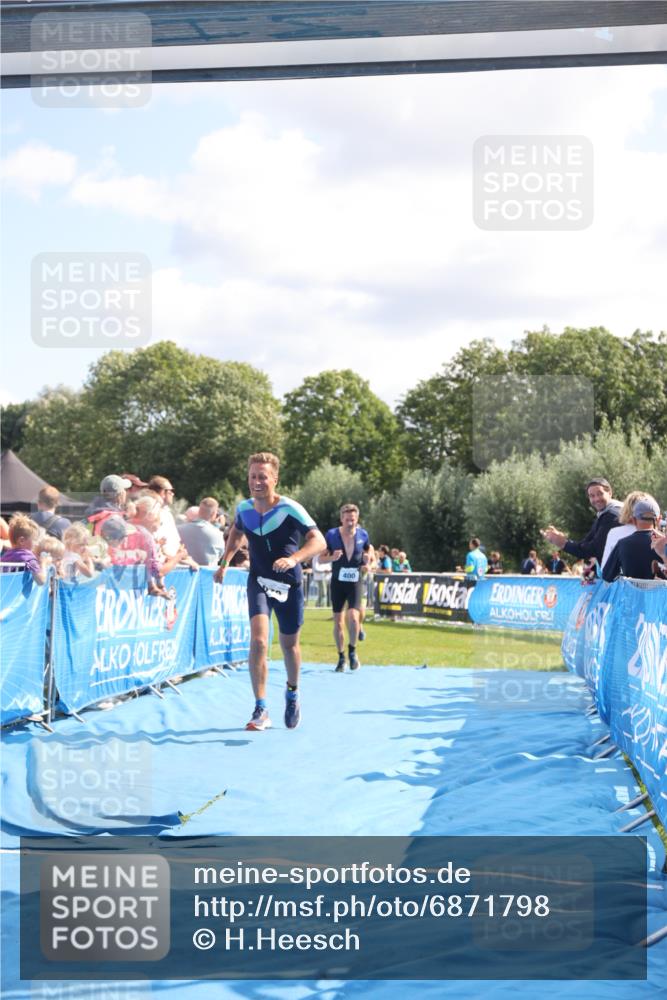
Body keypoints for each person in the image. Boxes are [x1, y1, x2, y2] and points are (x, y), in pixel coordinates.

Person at [214, 452, 325, 731]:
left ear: (275, 479)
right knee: (259, 641)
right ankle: (261, 707)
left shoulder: (289, 508)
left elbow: (319, 541)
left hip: (288, 584)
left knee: (289, 645)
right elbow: (236, 533)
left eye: (262, 477)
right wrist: (225, 563)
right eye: (252, 476)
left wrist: (294, 558)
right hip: (259, 581)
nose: (256, 482)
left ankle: (292, 692)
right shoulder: (244, 508)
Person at [318, 503, 371, 672]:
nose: (350, 523)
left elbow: (369, 551)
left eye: (353, 520)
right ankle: (341, 656)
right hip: (337, 583)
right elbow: (320, 559)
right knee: (338, 622)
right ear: (341, 519)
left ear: (357, 519)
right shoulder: (332, 535)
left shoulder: (363, 534)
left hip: (355, 582)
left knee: (354, 618)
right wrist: (332, 557)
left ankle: (352, 651)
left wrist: (368, 562)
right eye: (347, 519)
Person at [542, 477, 621, 565]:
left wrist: (563, 543)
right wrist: (563, 540)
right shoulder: (604, 514)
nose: (596, 499)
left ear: (610, 493)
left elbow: (592, 550)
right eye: (592, 496)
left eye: (600, 494)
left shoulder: (612, 515)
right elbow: (584, 544)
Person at [602, 496, 663, 582]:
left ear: (633, 520)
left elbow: (607, 575)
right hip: (661, 590)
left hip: (631, 590)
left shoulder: (622, 544)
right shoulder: (664, 544)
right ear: (659, 520)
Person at [600, 490, 648, 570]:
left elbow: (604, 568)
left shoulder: (614, 533)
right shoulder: (656, 534)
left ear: (626, 510)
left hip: (623, 577)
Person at [0, 514, 50, 584]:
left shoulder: (6, 555)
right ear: (22, 541)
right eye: (35, 540)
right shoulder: (28, 558)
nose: (37, 544)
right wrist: (43, 563)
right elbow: (41, 581)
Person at [177, 497, 226, 567]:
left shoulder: (179, 530)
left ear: (199, 511)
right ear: (214, 514)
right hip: (208, 573)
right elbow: (220, 554)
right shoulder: (218, 534)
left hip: (181, 572)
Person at [147, 475, 181, 557]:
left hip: (174, 560)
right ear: (162, 492)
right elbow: (155, 544)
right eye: (170, 491)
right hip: (161, 561)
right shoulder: (151, 512)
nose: (173, 493)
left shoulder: (167, 513)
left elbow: (175, 541)